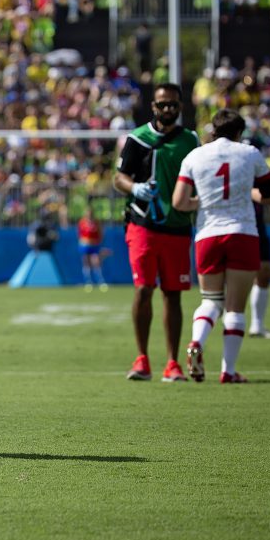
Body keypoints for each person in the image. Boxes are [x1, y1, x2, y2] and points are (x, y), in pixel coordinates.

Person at [172, 109, 270, 383]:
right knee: (234, 308)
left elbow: (180, 202)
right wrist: (249, 193)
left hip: (208, 234)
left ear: (212, 130)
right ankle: (228, 372)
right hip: (242, 232)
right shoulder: (249, 153)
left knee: (210, 300)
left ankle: (196, 341)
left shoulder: (194, 156)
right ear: (239, 132)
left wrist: (204, 201)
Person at [114, 82, 200, 382]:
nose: (168, 109)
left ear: (180, 106)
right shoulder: (138, 138)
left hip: (177, 226)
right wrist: (136, 188)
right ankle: (142, 358)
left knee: (173, 294)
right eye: (163, 104)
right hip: (143, 224)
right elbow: (119, 178)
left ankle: (173, 362)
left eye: (173, 104)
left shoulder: (190, 140)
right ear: (153, 106)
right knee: (143, 288)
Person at [247, 201, 270, 337]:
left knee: (264, 273)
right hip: (238, 227)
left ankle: (257, 325)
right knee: (237, 275)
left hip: (258, 227)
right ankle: (230, 317)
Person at [77, 204, 107, 291]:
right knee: (86, 263)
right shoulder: (82, 222)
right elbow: (80, 235)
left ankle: (101, 281)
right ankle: (88, 282)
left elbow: (100, 233)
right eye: (87, 212)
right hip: (85, 245)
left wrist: (99, 242)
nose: (89, 214)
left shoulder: (96, 222)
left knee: (96, 262)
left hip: (94, 245)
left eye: (90, 212)